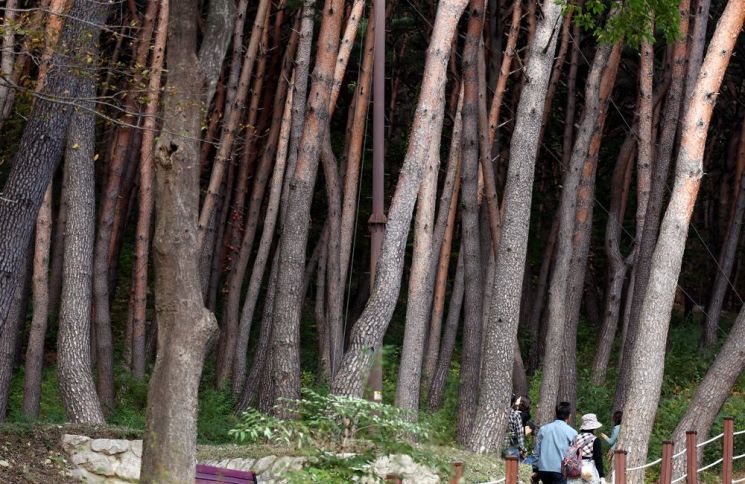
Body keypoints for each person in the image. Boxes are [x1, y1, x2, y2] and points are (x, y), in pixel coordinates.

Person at [534, 401, 577, 484]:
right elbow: (573, 455)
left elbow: (536, 451)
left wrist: (535, 469)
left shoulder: (543, 429)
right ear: (569, 416)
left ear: (556, 414)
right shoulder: (572, 432)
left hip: (543, 470)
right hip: (560, 470)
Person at [567, 414, 605, 484]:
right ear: (594, 427)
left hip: (575, 470)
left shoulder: (575, 438)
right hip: (588, 471)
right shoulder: (595, 440)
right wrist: (602, 477)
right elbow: (598, 460)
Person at [503, 395, 527, 459]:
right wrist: (523, 449)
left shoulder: (497, 413)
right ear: (513, 403)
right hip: (510, 446)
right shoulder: (515, 415)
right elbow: (520, 434)